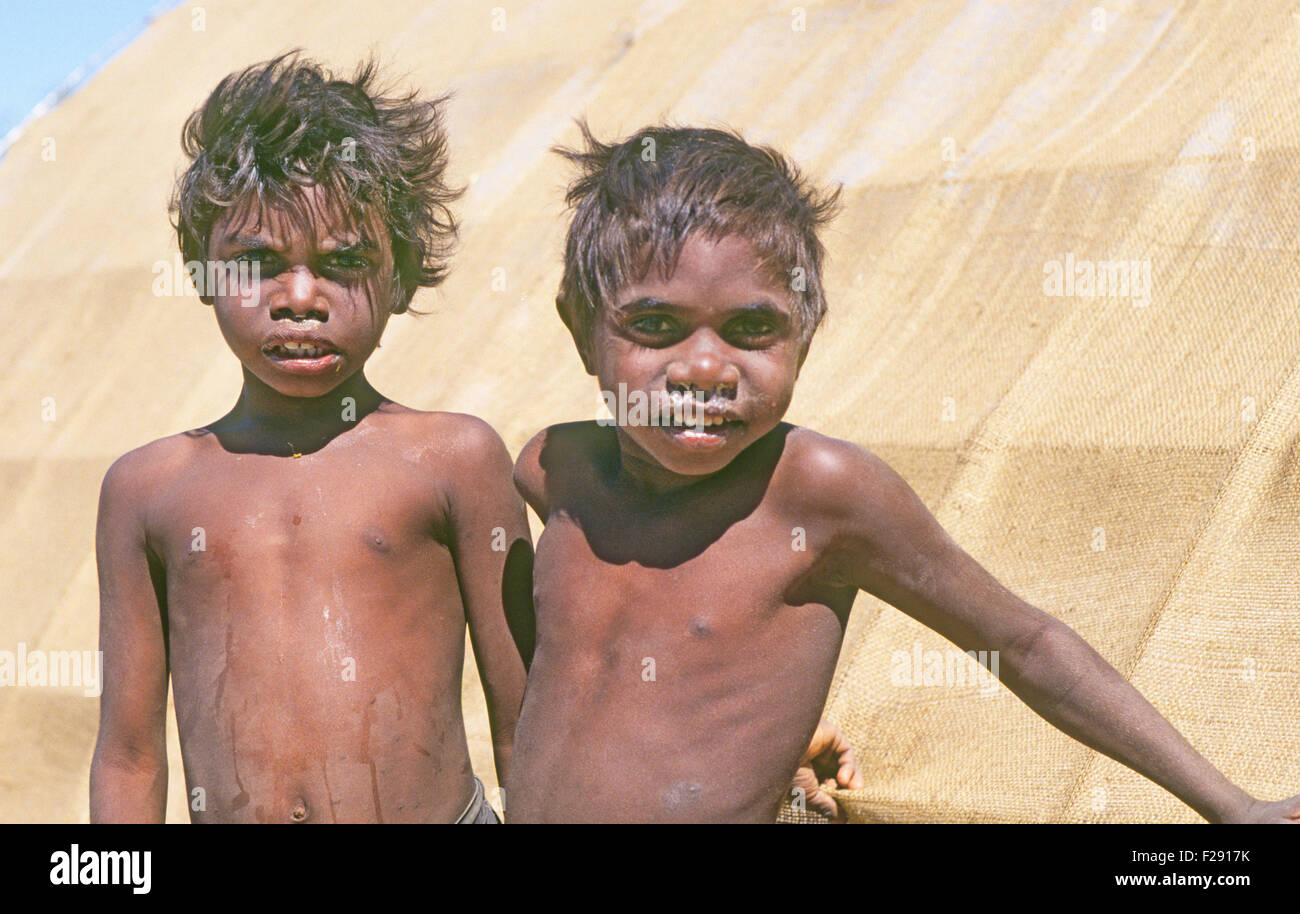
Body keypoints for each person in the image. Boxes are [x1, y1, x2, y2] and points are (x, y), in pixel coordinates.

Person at [504, 122, 1300, 824]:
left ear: (805, 340)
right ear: (580, 329)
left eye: (753, 329)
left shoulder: (818, 492)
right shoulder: (556, 471)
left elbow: (1023, 643)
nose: (706, 367)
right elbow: (598, 667)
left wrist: (1233, 808)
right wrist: (765, 734)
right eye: (655, 325)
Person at [90, 52, 529, 823]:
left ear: (401, 277)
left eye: (345, 262)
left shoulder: (454, 459)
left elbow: (526, 719)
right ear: (201, 273)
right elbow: (128, 756)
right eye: (256, 263)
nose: (300, 299)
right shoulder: (148, 489)